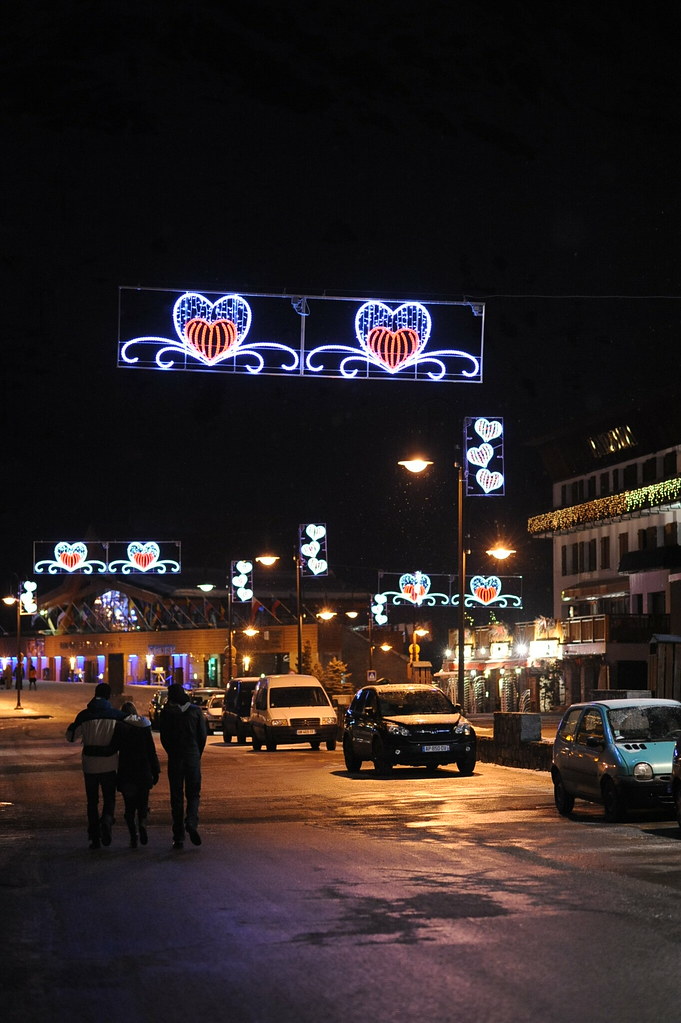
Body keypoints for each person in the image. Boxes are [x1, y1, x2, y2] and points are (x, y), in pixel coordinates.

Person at [65, 682, 125, 850]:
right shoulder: (115, 715)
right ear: (109, 696)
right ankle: (107, 819)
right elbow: (133, 726)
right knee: (109, 798)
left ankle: (94, 836)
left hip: (90, 765)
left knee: (92, 801)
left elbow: (71, 737)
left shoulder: (84, 715)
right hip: (109, 763)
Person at [159, 683, 207, 849]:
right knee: (193, 794)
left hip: (175, 759)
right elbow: (202, 736)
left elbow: (164, 738)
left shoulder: (167, 714)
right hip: (192, 757)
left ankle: (178, 835)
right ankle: (192, 822)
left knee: (177, 796)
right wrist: (196, 754)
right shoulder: (195, 711)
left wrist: (172, 752)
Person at [113, 701, 160, 848]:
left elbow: (114, 748)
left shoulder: (120, 727)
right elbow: (151, 750)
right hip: (143, 770)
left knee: (129, 807)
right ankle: (142, 823)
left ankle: (133, 836)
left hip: (127, 771)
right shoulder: (144, 726)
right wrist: (155, 770)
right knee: (143, 803)